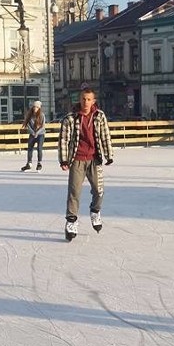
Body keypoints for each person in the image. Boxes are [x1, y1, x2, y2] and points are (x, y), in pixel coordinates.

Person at [58, 89, 114, 241]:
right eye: (83, 99)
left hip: (95, 159)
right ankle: (71, 221)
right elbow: (64, 139)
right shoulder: (70, 118)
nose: (86, 102)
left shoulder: (99, 116)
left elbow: (105, 135)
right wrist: (64, 160)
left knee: (99, 190)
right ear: (79, 100)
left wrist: (109, 155)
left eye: (89, 99)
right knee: (74, 191)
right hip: (77, 159)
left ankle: (95, 211)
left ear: (93, 101)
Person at [21, 100, 46, 171]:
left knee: (39, 148)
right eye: (34, 107)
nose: (35, 108)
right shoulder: (29, 115)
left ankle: (39, 163)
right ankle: (29, 163)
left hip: (40, 134)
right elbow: (28, 126)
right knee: (30, 148)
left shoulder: (42, 115)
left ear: (39, 108)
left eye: (37, 107)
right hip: (32, 134)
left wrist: (37, 133)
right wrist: (33, 133)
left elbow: (43, 126)